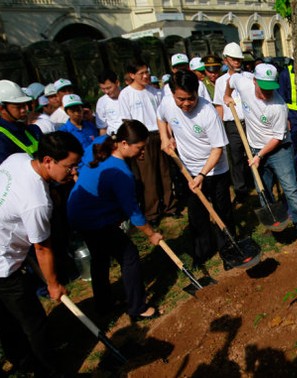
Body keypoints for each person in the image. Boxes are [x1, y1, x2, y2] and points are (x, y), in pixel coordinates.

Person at [0, 131, 83, 376]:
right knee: (33, 321)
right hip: (4, 265)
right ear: (48, 161)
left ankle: (22, 363)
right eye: (69, 167)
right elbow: (42, 248)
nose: (73, 172)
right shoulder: (36, 202)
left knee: (5, 320)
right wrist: (54, 284)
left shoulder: (17, 159)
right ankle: (50, 370)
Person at [67, 120, 162, 321]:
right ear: (125, 144)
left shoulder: (102, 142)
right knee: (129, 256)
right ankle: (138, 307)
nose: (142, 152)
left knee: (100, 257)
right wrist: (152, 234)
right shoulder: (121, 173)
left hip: (77, 209)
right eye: (139, 148)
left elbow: (85, 164)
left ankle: (104, 304)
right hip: (92, 218)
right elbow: (134, 213)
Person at [158, 70, 254, 269]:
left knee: (222, 213)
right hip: (188, 169)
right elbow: (161, 118)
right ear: (173, 94)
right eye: (180, 99)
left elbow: (217, 149)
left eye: (190, 99)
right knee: (196, 216)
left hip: (215, 171)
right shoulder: (167, 103)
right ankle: (201, 253)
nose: (185, 104)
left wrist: (202, 175)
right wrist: (165, 138)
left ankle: (228, 250)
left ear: (197, 93)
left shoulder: (207, 112)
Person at [224, 63, 297, 244]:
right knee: (264, 190)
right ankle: (273, 225)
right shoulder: (244, 84)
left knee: (291, 188)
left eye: (271, 88)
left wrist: (259, 156)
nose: (268, 93)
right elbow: (231, 80)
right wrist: (226, 95)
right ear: (254, 81)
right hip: (254, 149)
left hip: (279, 150)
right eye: (264, 88)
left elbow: (277, 138)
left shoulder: (278, 106)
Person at [118, 59, 177, 225]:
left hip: (159, 134)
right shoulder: (126, 94)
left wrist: (169, 136)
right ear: (132, 75)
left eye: (147, 72)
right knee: (147, 176)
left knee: (164, 172)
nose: (146, 76)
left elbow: (164, 117)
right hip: (140, 138)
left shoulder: (156, 92)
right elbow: (126, 121)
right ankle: (152, 212)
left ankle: (169, 206)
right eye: (141, 73)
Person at [214, 42, 252, 204]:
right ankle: (241, 190)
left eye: (239, 59)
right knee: (235, 158)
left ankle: (258, 184)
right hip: (232, 125)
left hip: (249, 122)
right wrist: (220, 128)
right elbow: (219, 106)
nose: (237, 62)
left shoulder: (249, 77)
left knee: (254, 155)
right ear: (225, 60)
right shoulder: (221, 82)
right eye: (233, 59)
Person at [0, 80, 42, 164]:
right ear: (1, 109)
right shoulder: (2, 139)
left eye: (25, 105)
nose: (25, 110)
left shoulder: (33, 130)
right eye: (18, 107)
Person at [278, 59, 297, 175]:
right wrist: (285, 118)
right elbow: (281, 97)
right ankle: (294, 174)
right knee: (294, 147)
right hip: (292, 114)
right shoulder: (285, 74)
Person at [96, 69, 123, 136]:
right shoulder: (101, 102)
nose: (106, 92)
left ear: (117, 83)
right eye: (103, 89)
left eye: (109, 88)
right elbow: (102, 128)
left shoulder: (128, 95)